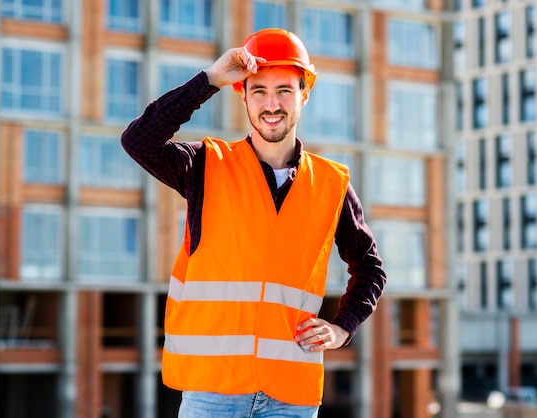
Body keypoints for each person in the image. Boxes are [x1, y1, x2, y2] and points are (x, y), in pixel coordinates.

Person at [121, 28, 386, 418]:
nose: (271, 104)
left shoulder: (331, 184)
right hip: (212, 392)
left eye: (284, 90)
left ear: (304, 94)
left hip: (290, 395)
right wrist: (210, 79)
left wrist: (343, 328)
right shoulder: (206, 166)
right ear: (242, 95)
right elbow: (139, 140)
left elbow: (369, 267)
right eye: (259, 90)